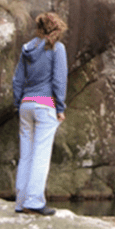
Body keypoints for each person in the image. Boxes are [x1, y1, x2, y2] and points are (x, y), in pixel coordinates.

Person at [13, 12, 68, 216]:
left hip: (26, 105)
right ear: (56, 29)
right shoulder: (57, 48)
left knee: (26, 155)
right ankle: (35, 201)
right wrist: (60, 108)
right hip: (45, 105)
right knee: (41, 155)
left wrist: (18, 103)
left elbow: (17, 80)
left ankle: (21, 202)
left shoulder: (27, 48)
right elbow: (59, 81)